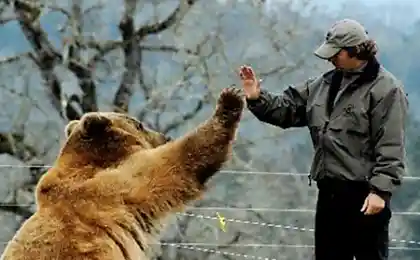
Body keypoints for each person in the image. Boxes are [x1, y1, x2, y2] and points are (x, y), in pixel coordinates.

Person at [237, 18, 408, 260]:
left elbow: (390, 147)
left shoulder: (387, 91)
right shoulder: (324, 84)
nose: (330, 59)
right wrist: (256, 97)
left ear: (354, 51)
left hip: (366, 197)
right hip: (329, 194)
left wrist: (380, 192)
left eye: (335, 54)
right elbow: (288, 109)